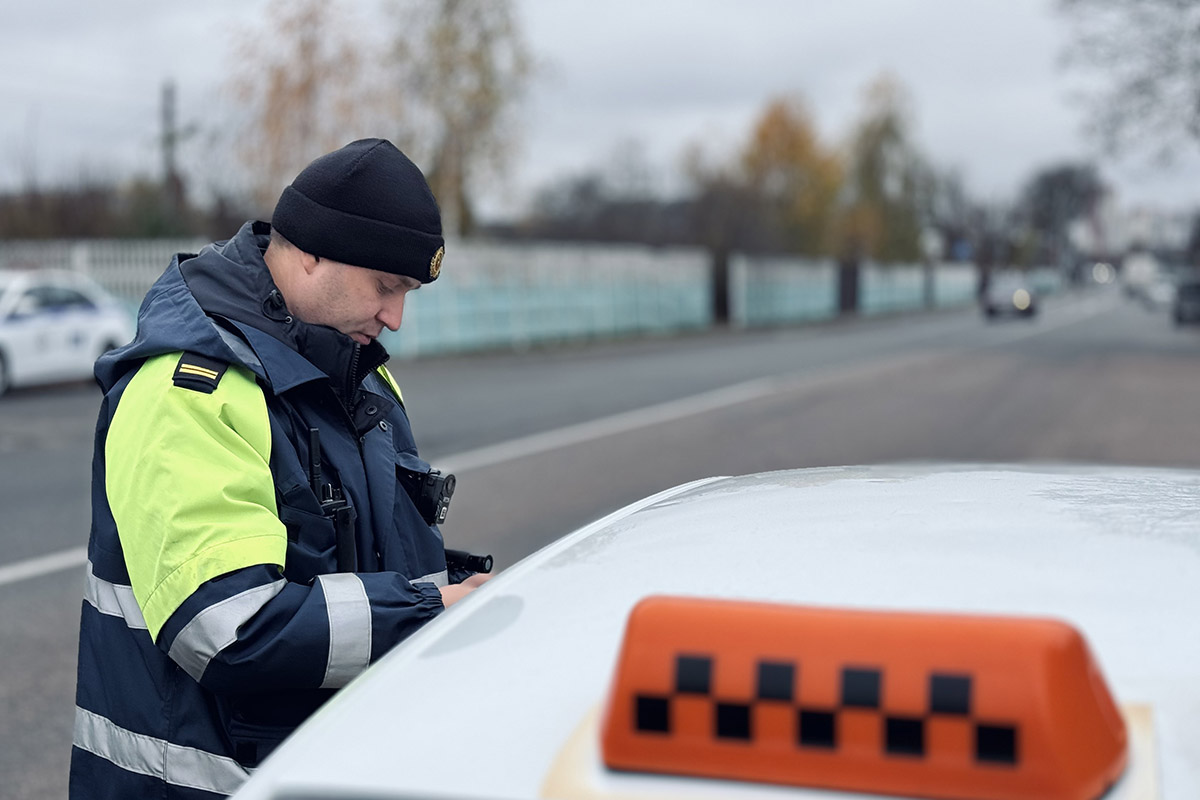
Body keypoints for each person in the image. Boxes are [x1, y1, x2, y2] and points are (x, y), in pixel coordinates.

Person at [69, 138, 489, 800]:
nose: (396, 319)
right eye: (386, 286)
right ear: (312, 251)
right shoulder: (187, 390)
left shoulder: (366, 384)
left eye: (406, 292)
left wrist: (466, 596)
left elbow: (376, 567)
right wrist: (427, 608)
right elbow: (226, 627)